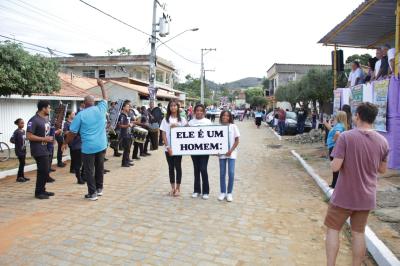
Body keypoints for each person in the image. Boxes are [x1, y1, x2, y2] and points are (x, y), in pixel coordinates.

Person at [324, 102, 389, 266]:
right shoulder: (383, 142)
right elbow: (382, 170)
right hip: (366, 197)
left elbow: (335, 166)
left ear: (358, 116)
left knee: (333, 230)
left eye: (354, 115)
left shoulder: (346, 137)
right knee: (358, 233)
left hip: (344, 196)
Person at [63, 79, 108, 201]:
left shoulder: (80, 115)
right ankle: (99, 189)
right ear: (93, 103)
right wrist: (102, 86)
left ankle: (92, 193)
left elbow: (72, 133)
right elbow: (105, 98)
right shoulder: (101, 109)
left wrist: (65, 143)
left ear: (84, 104)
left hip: (88, 148)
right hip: (102, 145)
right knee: (99, 167)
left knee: (89, 170)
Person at [26, 100, 55, 199]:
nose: (50, 109)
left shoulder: (45, 119)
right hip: (38, 149)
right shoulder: (33, 120)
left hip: (45, 148)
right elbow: (29, 136)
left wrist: (51, 138)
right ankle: (38, 192)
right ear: (43, 108)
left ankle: (42, 190)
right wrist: (44, 139)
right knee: (43, 170)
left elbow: (46, 133)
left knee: (45, 171)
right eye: (49, 107)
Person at [160, 99, 187, 197]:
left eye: (175, 106)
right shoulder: (165, 119)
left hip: (178, 148)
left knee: (178, 167)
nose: (173, 107)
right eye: (171, 106)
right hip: (168, 148)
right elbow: (163, 133)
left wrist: (178, 127)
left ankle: (178, 189)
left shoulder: (182, 119)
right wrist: (168, 147)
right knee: (171, 168)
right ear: (169, 108)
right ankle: (172, 188)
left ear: (178, 107)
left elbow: (188, 131)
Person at [189, 104, 212, 200]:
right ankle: (196, 190)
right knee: (196, 169)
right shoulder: (191, 122)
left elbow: (212, 135)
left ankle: (206, 191)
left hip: (204, 150)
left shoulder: (208, 122)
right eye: (197, 110)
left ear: (203, 112)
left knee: (203, 169)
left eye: (201, 110)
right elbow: (183, 132)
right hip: (194, 150)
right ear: (194, 112)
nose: (199, 112)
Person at [218, 111, 240, 202]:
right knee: (222, 174)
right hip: (222, 153)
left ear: (230, 117)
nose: (225, 117)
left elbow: (237, 140)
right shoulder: (218, 127)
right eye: (223, 115)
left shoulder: (233, 126)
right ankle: (223, 192)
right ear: (221, 116)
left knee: (231, 173)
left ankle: (229, 193)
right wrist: (216, 151)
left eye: (227, 116)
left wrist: (230, 151)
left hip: (232, 153)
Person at [324, 111, 348, 188]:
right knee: (337, 168)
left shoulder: (339, 125)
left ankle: (334, 184)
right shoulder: (340, 125)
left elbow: (337, 134)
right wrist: (326, 124)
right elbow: (332, 130)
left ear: (339, 117)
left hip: (334, 147)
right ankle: (335, 184)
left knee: (335, 167)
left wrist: (333, 140)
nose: (334, 117)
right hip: (334, 147)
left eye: (336, 116)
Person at [63, 111, 84, 184]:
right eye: (73, 114)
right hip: (75, 144)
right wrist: (65, 142)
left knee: (81, 161)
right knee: (78, 162)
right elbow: (66, 132)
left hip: (81, 143)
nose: (74, 115)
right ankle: (79, 177)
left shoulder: (76, 122)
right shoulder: (68, 123)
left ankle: (82, 176)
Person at [12, 118, 29, 182]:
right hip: (19, 150)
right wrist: (18, 144)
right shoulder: (16, 132)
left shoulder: (24, 131)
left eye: (23, 123)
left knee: (23, 163)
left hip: (23, 150)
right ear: (17, 124)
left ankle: (22, 176)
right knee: (22, 163)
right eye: (21, 123)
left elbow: (25, 139)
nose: (23, 124)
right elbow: (12, 140)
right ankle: (19, 178)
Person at [118, 100, 134, 167]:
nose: (129, 108)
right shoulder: (122, 115)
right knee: (126, 149)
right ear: (123, 108)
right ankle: (124, 163)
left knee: (128, 149)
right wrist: (128, 125)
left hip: (128, 134)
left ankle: (127, 161)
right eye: (127, 106)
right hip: (124, 135)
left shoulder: (127, 114)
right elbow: (120, 125)